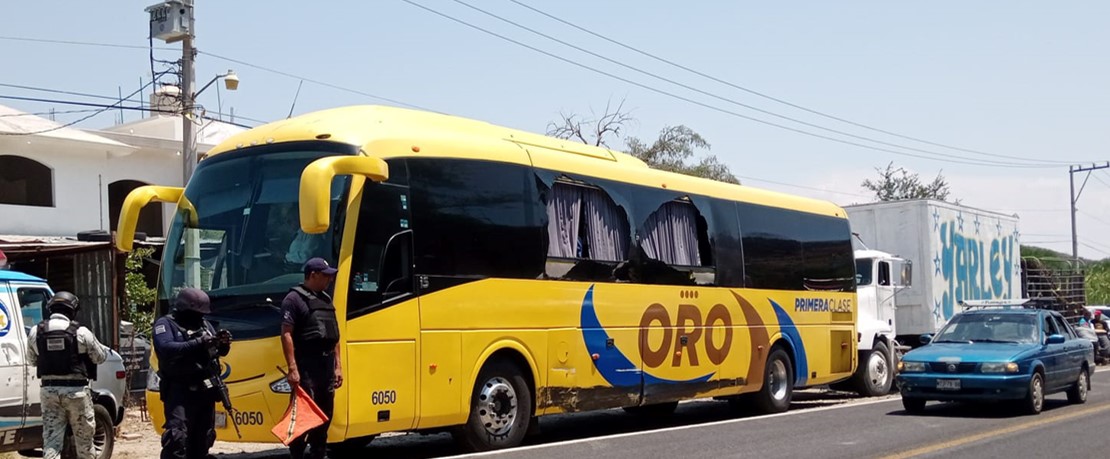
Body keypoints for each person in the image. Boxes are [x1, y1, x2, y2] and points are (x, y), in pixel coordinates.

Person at [26, 291, 109, 459]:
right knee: (84, 442)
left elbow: (32, 361)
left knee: (51, 442)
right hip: (76, 393)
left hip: (49, 392)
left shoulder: (36, 331)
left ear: (51, 309)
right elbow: (100, 357)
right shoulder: (81, 332)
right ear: (72, 311)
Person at [152, 288, 232, 459]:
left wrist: (222, 345)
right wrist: (197, 343)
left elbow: (213, 353)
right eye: (196, 313)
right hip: (179, 391)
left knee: (204, 437)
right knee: (177, 438)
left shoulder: (204, 324)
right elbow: (166, 347)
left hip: (205, 391)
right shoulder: (165, 324)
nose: (199, 317)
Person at [281, 257, 343, 459]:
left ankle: (319, 452)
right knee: (303, 416)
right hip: (306, 365)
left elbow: (334, 335)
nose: (330, 280)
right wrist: (292, 368)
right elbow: (287, 334)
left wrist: (338, 366)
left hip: (326, 367)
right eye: (326, 276)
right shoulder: (293, 299)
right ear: (313, 275)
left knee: (325, 415)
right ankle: (296, 454)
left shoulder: (325, 299)